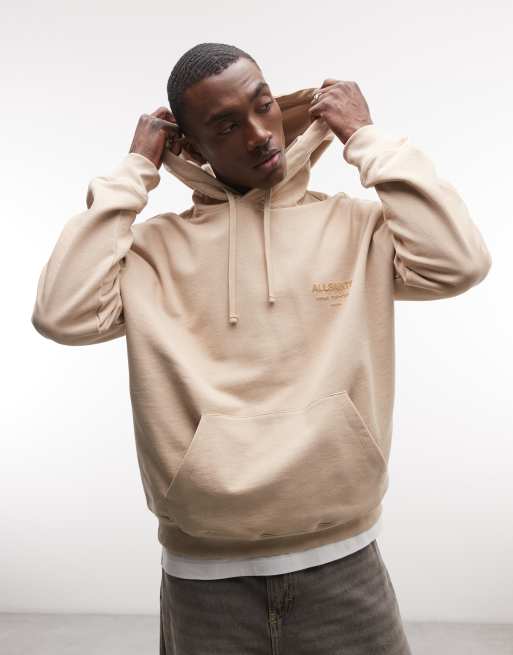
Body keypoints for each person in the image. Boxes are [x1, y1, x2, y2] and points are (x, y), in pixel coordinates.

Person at [31, 41, 492, 654]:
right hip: (206, 585)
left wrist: (366, 139)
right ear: (191, 146)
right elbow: (61, 313)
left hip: (344, 566)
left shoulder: (356, 228)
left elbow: (458, 262)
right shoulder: (153, 253)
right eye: (226, 125)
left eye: (264, 105)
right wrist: (134, 171)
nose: (258, 134)